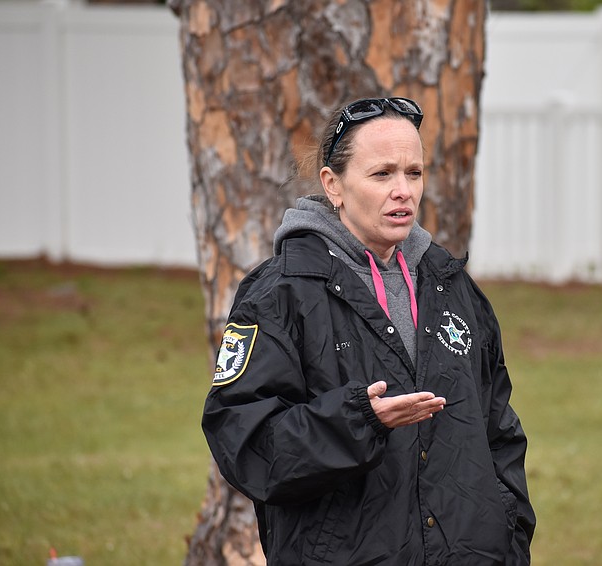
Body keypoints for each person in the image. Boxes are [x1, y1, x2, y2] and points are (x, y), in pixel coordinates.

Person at [202, 96, 535, 565]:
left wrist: (509, 538)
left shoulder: (454, 287)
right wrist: (358, 421)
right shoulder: (279, 294)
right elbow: (246, 444)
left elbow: (499, 433)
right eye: (382, 175)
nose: (403, 190)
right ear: (332, 185)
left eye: (413, 173)